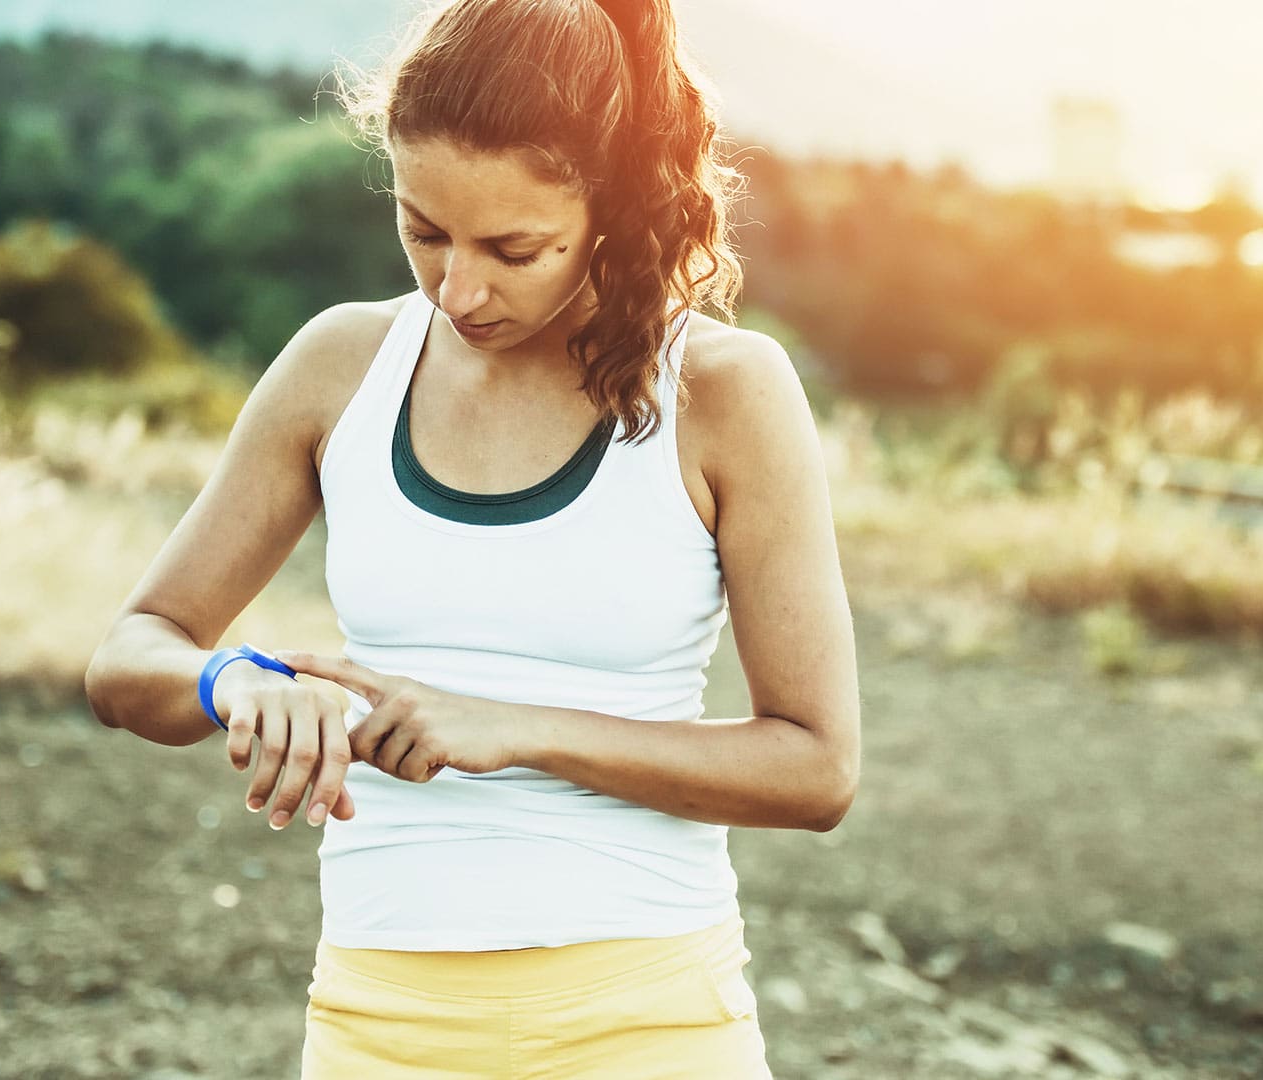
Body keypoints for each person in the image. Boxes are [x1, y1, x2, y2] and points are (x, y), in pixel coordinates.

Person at [82, 0, 860, 1074]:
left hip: (647, 1020)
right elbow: (131, 656)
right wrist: (235, 684)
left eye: (515, 248)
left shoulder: (726, 393)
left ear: (611, 205)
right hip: (376, 1022)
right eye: (423, 232)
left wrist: (519, 729)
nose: (459, 290)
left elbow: (816, 768)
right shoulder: (340, 366)